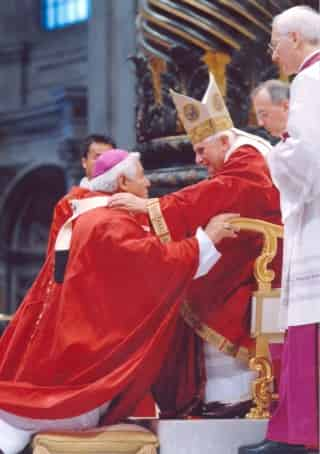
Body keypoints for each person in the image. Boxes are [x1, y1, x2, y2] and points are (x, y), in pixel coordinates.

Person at [0, 149, 238, 454]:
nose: (149, 184)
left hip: (73, 349)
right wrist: (207, 239)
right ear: (123, 181)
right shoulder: (107, 224)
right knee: (49, 414)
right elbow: (156, 266)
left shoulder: (89, 217)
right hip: (82, 374)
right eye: (142, 176)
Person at [109, 73, 282, 418]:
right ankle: (219, 397)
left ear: (223, 141)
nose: (199, 159)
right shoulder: (234, 156)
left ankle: (239, 396)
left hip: (264, 262)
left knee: (203, 291)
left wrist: (153, 206)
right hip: (247, 253)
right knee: (189, 280)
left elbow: (226, 192)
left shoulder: (247, 157)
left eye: (202, 150)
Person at [239, 6, 320, 454]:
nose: (272, 55)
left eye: (273, 44)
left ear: (293, 38)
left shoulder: (308, 81)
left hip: (316, 222)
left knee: (309, 328)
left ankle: (299, 434)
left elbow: (306, 159)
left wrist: (272, 154)